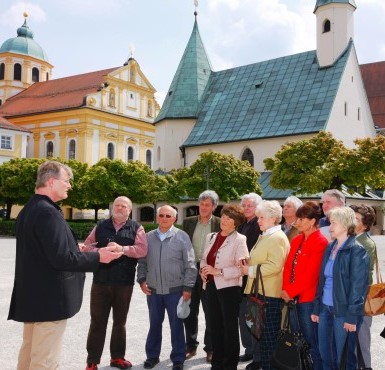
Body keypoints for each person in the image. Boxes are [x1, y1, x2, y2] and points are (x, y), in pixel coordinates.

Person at [8, 160, 122, 370]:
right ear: (52, 182)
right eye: (67, 181)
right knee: (45, 362)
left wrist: (74, 247)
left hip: (34, 297)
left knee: (29, 356)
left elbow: (43, 251)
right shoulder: (48, 212)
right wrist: (100, 257)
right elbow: (61, 259)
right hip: (49, 300)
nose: (70, 185)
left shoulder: (30, 209)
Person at [82, 196, 148, 370]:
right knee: (97, 322)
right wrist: (100, 251)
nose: (120, 208)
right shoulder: (101, 226)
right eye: (117, 205)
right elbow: (87, 246)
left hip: (124, 283)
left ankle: (117, 358)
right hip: (100, 281)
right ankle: (92, 361)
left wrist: (122, 249)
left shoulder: (136, 228)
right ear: (112, 208)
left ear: (130, 210)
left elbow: (142, 250)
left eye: (124, 206)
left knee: (120, 322)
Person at [137, 205, 197, 370]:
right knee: (154, 324)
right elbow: (141, 262)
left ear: (174, 219)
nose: (164, 218)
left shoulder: (182, 236)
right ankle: (152, 356)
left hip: (176, 291)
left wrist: (187, 287)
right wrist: (142, 280)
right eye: (161, 215)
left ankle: (178, 358)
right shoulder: (148, 237)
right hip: (154, 291)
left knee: (177, 326)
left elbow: (190, 264)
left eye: (168, 216)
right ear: (157, 218)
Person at [311, 207, 369, 370]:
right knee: (325, 355)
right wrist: (316, 308)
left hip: (344, 313)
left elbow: (359, 287)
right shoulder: (330, 248)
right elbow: (321, 280)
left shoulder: (357, 250)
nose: (330, 227)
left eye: (333, 223)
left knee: (344, 358)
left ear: (345, 225)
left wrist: (352, 316)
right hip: (325, 309)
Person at [241, 200, 290, 370]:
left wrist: (250, 270)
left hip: (270, 294)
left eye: (261, 217)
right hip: (261, 292)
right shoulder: (267, 235)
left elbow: (275, 266)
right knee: (262, 337)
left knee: (268, 338)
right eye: (258, 217)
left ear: (274, 219)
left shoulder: (277, 237)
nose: (258, 220)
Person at [200, 204, 249, 370]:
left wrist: (218, 271)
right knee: (214, 326)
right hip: (211, 287)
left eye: (229, 218)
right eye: (224, 216)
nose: (225, 220)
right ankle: (217, 363)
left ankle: (229, 365)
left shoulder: (240, 240)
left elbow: (242, 270)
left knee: (229, 329)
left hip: (229, 289)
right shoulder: (211, 236)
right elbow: (203, 258)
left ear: (236, 223)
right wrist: (203, 270)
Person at [281, 201, 328, 370]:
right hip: (292, 298)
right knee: (297, 341)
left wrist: (290, 291)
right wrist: (285, 289)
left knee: (311, 342)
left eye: (301, 219)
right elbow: (288, 267)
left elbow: (311, 276)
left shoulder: (320, 242)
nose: (297, 222)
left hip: (308, 300)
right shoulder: (297, 239)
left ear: (312, 221)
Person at [182, 190, 220, 363]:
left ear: (214, 206)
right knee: (190, 310)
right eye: (202, 204)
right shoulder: (188, 222)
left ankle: (210, 348)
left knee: (210, 310)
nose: (204, 207)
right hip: (191, 269)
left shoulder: (220, 223)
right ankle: (190, 345)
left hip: (210, 271)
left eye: (208, 204)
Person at [237, 193, 263, 367]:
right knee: (243, 316)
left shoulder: (259, 225)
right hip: (241, 277)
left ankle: (256, 354)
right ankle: (248, 350)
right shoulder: (243, 224)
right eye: (244, 205)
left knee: (253, 317)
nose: (246, 208)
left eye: (250, 206)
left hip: (253, 278)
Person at [350, 204, 376, 368]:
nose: (351, 221)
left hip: (361, 298)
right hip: (352, 297)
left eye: (356, 219)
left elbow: (359, 275)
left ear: (365, 225)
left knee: (362, 340)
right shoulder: (351, 239)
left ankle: (367, 367)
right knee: (353, 342)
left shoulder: (366, 243)